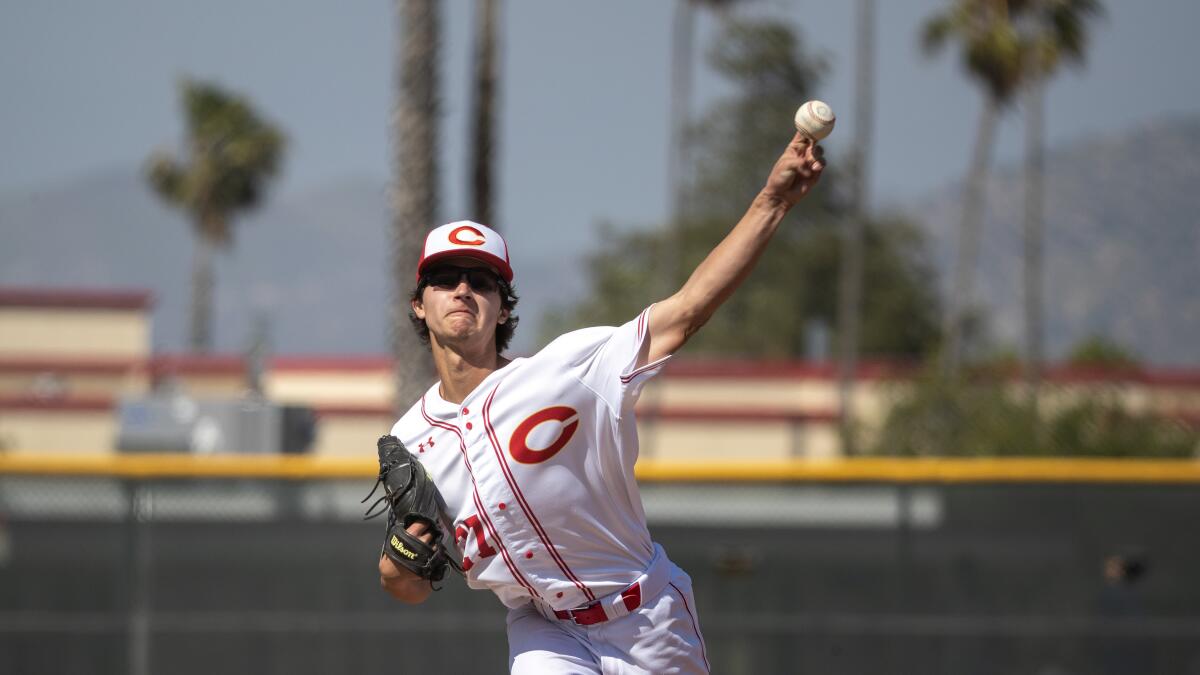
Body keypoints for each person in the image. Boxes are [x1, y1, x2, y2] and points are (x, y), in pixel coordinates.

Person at [378, 130, 825, 674]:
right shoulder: (411, 439)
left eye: (482, 281)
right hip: (543, 629)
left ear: (502, 308)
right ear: (419, 305)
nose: (463, 290)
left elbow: (686, 312)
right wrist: (396, 567)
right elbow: (409, 587)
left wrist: (772, 202)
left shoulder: (569, 369)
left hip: (646, 620)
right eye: (445, 278)